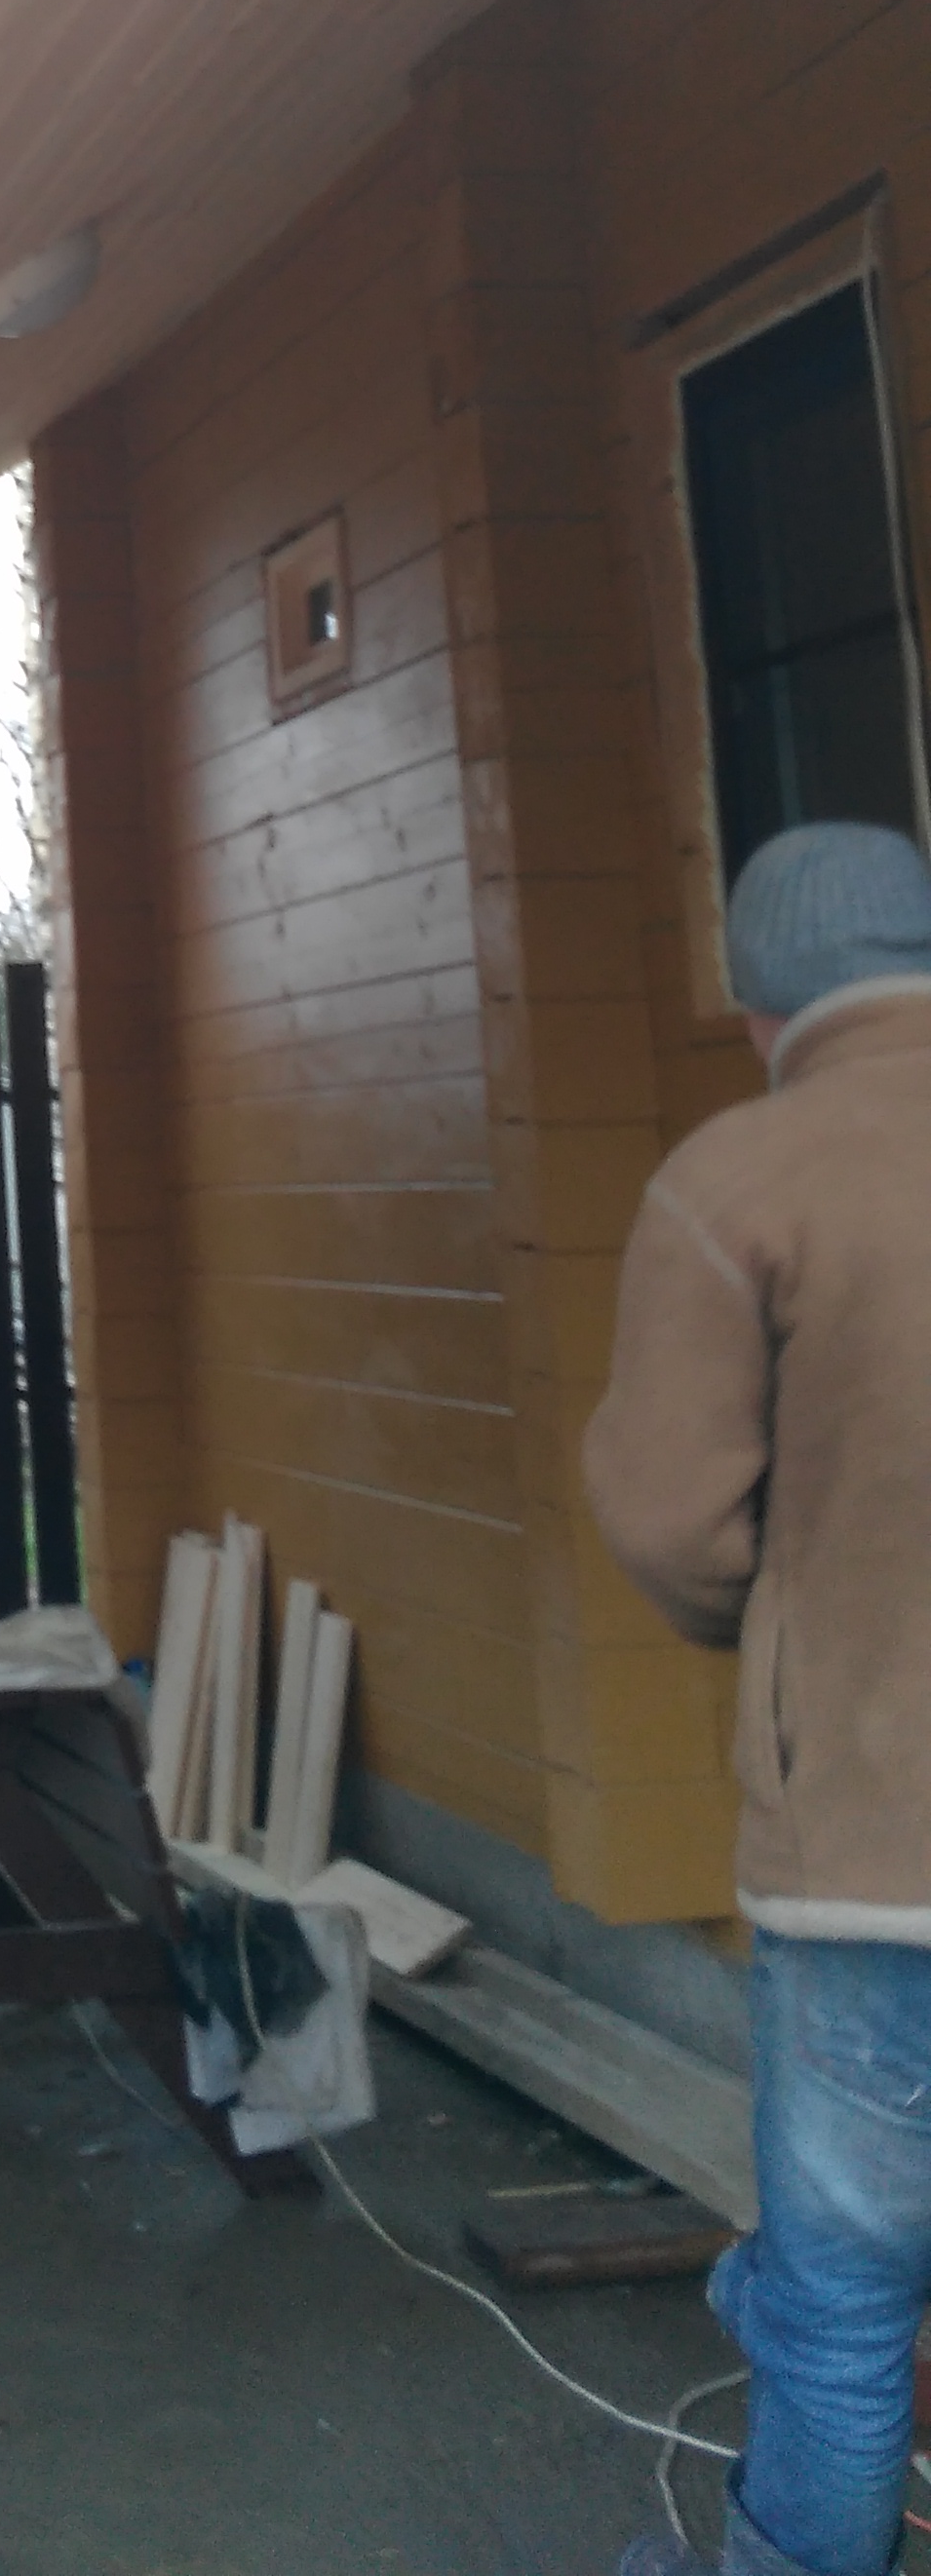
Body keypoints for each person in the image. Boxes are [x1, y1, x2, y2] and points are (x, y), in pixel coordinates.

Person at [586, 819, 931, 2576]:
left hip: (874, 1855)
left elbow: (671, 1518)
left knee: (845, 2301)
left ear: (757, 1007)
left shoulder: (742, 1177)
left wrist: (780, 1636)